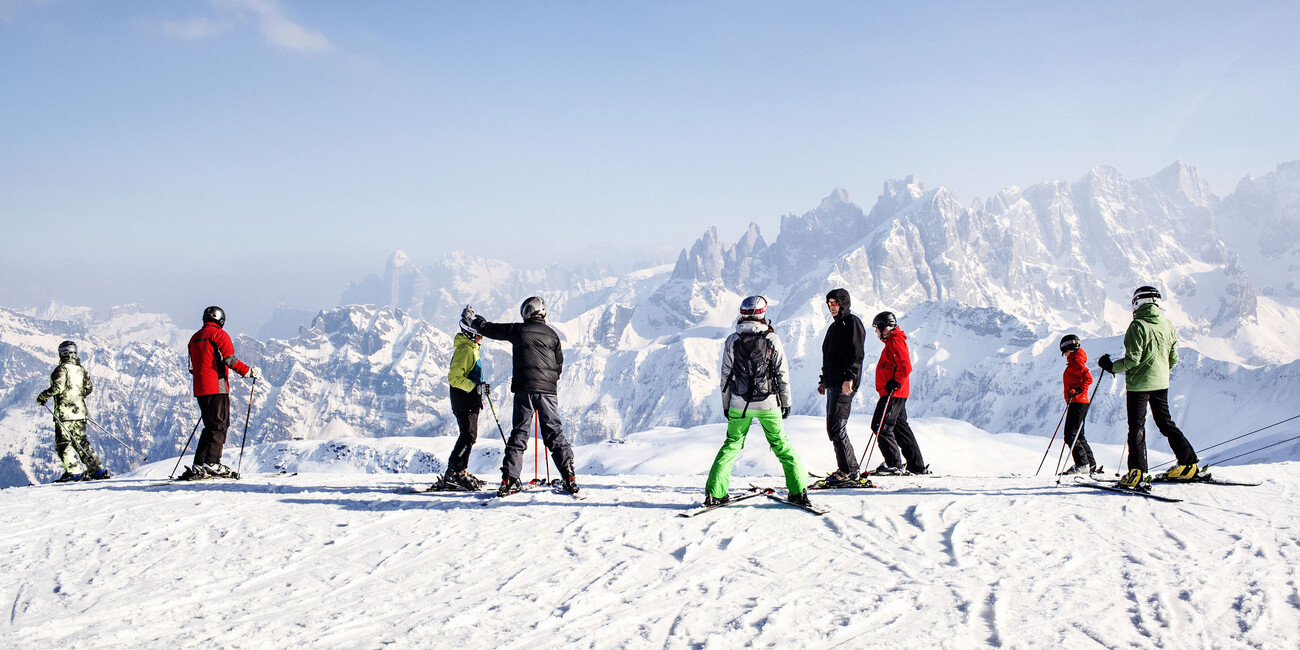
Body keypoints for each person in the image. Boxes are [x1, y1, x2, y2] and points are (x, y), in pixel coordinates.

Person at [705, 296, 811, 507]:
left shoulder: (732, 341)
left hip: (739, 404)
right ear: (763, 313)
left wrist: (726, 404)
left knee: (731, 445)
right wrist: (785, 402)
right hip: (769, 403)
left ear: (742, 313)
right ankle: (798, 492)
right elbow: (782, 374)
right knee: (782, 445)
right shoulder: (772, 339)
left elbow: (725, 377)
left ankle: (715, 493)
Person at [468, 297, 579, 496]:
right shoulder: (553, 336)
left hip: (524, 390)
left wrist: (476, 321)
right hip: (548, 392)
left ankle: (509, 479)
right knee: (554, 433)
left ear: (527, 312)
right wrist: (548, 384)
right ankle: (568, 475)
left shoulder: (518, 331)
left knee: (519, 434)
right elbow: (558, 366)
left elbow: (491, 330)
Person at [1099, 286, 1199, 488]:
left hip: (1139, 385)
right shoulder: (1168, 325)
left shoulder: (1137, 326)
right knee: (1165, 423)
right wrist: (1159, 371)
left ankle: (1137, 473)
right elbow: (1173, 358)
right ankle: (1188, 464)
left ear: (1137, 303)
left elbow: (1133, 360)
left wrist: (1110, 366)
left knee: (1136, 427)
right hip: (1161, 384)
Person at [181, 306, 261, 480]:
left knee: (209, 426)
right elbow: (229, 360)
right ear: (221, 320)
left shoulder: (194, 338)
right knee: (220, 425)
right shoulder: (219, 335)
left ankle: (199, 464)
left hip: (199, 388)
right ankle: (212, 463)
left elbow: (192, 367)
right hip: (216, 387)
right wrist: (248, 372)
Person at [36, 340, 109, 482]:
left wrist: (43, 396)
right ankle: (97, 470)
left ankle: (74, 471)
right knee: (81, 441)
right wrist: (77, 397)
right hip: (80, 412)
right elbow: (88, 388)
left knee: (63, 444)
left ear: (61, 353)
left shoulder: (61, 369)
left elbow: (57, 388)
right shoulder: (81, 370)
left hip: (64, 413)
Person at [869, 311, 927, 475]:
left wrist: (896, 382)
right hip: (896, 392)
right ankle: (916, 465)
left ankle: (893, 464)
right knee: (900, 428)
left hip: (893, 393)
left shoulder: (895, 342)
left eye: (877, 328)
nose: (876, 332)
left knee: (880, 426)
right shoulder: (893, 342)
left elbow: (905, 366)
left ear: (884, 327)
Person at [817, 288, 866, 484]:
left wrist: (850, 377)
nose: (831, 307)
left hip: (845, 384)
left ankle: (849, 471)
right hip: (833, 384)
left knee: (838, 426)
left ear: (843, 303)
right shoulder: (834, 327)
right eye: (829, 304)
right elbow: (828, 357)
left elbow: (856, 354)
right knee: (833, 427)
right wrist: (823, 380)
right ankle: (847, 468)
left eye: (835, 303)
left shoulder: (852, 324)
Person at [439, 309, 490, 490]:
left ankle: (459, 470)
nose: (483, 338)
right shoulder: (465, 350)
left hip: (469, 398)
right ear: (471, 334)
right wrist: (475, 388)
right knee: (468, 435)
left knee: (469, 436)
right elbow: (454, 377)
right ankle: (454, 472)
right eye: (481, 335)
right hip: (463, 399)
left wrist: (479, 387)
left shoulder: (471, 349)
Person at [1058, 334, 1097, 474]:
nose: (1065, 354)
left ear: (1069, 348)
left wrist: (1078, 390)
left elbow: (1088, 378)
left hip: (1078, 401)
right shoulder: (1076, 360)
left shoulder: (1077, 362)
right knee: (1079, 434)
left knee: (1070, 434)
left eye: (1065, 350)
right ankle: (1090, 465)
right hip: (1080, 401)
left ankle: (1082, 465)